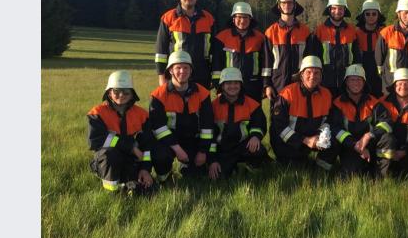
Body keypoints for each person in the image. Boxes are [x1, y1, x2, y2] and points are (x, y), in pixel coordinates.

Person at [149, 51, 216, 182]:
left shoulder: (202, 93)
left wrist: (202, 151)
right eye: (178, 67)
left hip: (192, 139)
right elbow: (158, 127)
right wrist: (177, 148)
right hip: (168, 141)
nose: (182, 71)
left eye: (186, 67)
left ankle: (185, 167)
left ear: (191, 70)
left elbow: (207, 125)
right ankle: (164, 177)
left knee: (195, 176)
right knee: (160, 156)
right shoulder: (158, 95)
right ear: (170, 71)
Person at [87, 70, 155, 194]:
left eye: (126, 92)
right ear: (109, 92)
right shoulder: (97, 113)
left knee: (141, 189)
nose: (121, 95)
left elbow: (148, 145)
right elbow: (95, 141)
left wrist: (145, 169)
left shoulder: (142, 114)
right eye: (116, 91)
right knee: (110, 154)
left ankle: (131, 182)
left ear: (132, 93)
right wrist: (131, 146)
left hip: (132, 160)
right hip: (108, 159)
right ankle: (111, 193)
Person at [269, 56, 336, 170]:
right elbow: (279, 127)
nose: (312, 76)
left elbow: (327, 120)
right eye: (308, 72)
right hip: (287, 142)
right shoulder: (287, 94)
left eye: (317, 73)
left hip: (312, 139)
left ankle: (321, 170)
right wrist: (305, 140)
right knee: (296, 168)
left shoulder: (326, 95)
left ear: (321, 76)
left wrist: (322, 135)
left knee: (334, 141)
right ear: (301, 75)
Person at [210, 67, 271, 180]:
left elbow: (259, 124)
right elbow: (210, 135)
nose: (232, 86)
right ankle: (235, 167)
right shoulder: (213, 107)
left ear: (241, 85)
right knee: (218, 178)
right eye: (228, 83)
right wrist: (213, 160)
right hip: (222, 150)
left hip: (244, 146)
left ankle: (251, 166)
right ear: (222, 86)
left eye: (236, 83)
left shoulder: (252, 104)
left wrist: (255, 137)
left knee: (258, 150)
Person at [155, 0, 216, 88]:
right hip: (177, 75)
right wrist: (161, 76)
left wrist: (215, 77)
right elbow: (161, 52)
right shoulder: (168, 18)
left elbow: (215, 51)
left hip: (202, 76)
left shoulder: (208, 19)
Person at [369, 68, 408, 178]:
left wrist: (405, 151)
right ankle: (381, 176)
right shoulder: (382, 104)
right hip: (386, 149)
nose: (403, 87)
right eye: (399, 83)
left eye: (407, 83)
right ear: (394, 85)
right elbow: (374, 129)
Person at [328, 64, 381, 177]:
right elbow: (336, 129)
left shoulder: (373, 102)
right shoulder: (338, 103)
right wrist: (355, 145)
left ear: (364, 82)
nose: (356, 83)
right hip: (349, 146)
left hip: (370, 143)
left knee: (388, 139)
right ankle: (320, 173)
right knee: (351, 175)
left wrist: (369, 135)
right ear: (346, 82)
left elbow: (385, 123)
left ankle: (382, 174)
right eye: (352, 80)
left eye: (359, 80)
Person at [263, 0, 312, 101]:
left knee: (299, 117)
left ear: (295, 5)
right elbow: (266, 61)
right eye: (283, 2)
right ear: (279, 5)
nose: (287, 5)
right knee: (278, 118)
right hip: (277, 84)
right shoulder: (270, 32)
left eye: (290, 2)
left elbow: (309, 59)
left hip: (301, 83)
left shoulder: (305, 31)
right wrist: (267, 85)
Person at [211, 2, 267, 100]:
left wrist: (265, 85)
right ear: (233, 19)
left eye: (245, 17)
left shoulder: (260, 38)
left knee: (254, 115)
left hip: (253, 87)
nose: (242, 21)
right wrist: (218, 88)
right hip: (229, 87)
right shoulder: (221, 38)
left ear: (250, 19)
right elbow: (216, 66)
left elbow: (265, 64)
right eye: (239, 17)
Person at [310, 0, 360, 97]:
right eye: (334, 8)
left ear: (344, 10)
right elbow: (314, 58)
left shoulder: (352, 31)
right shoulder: (319, 31)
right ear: (329, 9)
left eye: (341, 8)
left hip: (346, 82)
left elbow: (357, 58)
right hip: (325, 82)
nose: (337, 11)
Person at [354, 0, 387, 98]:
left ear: (378, 15)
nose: (371, 17)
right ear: (363, 16)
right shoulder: (356, 33)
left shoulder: (385, 32)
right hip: (362, 72)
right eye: (367, 14)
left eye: (374, 14)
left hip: (380, 74)